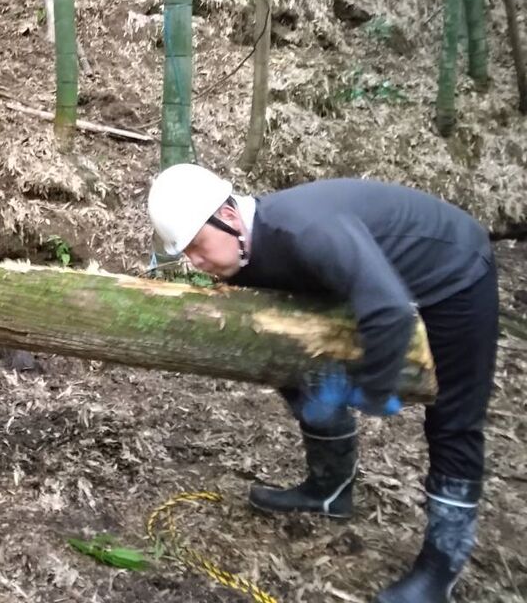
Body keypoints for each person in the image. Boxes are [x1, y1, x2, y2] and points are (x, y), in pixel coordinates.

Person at [146, 164, 498, 603]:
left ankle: (439, 571)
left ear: (229, 216)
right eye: (187, 253)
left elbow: (388, 311)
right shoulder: (248, 251)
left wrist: (370, 390)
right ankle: (329, 490)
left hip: (454, 268)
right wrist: (310, 393)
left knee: (453, 422)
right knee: (297, 360)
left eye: (198, 246)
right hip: (375, 275)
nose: (196, 262)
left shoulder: (306, 231)